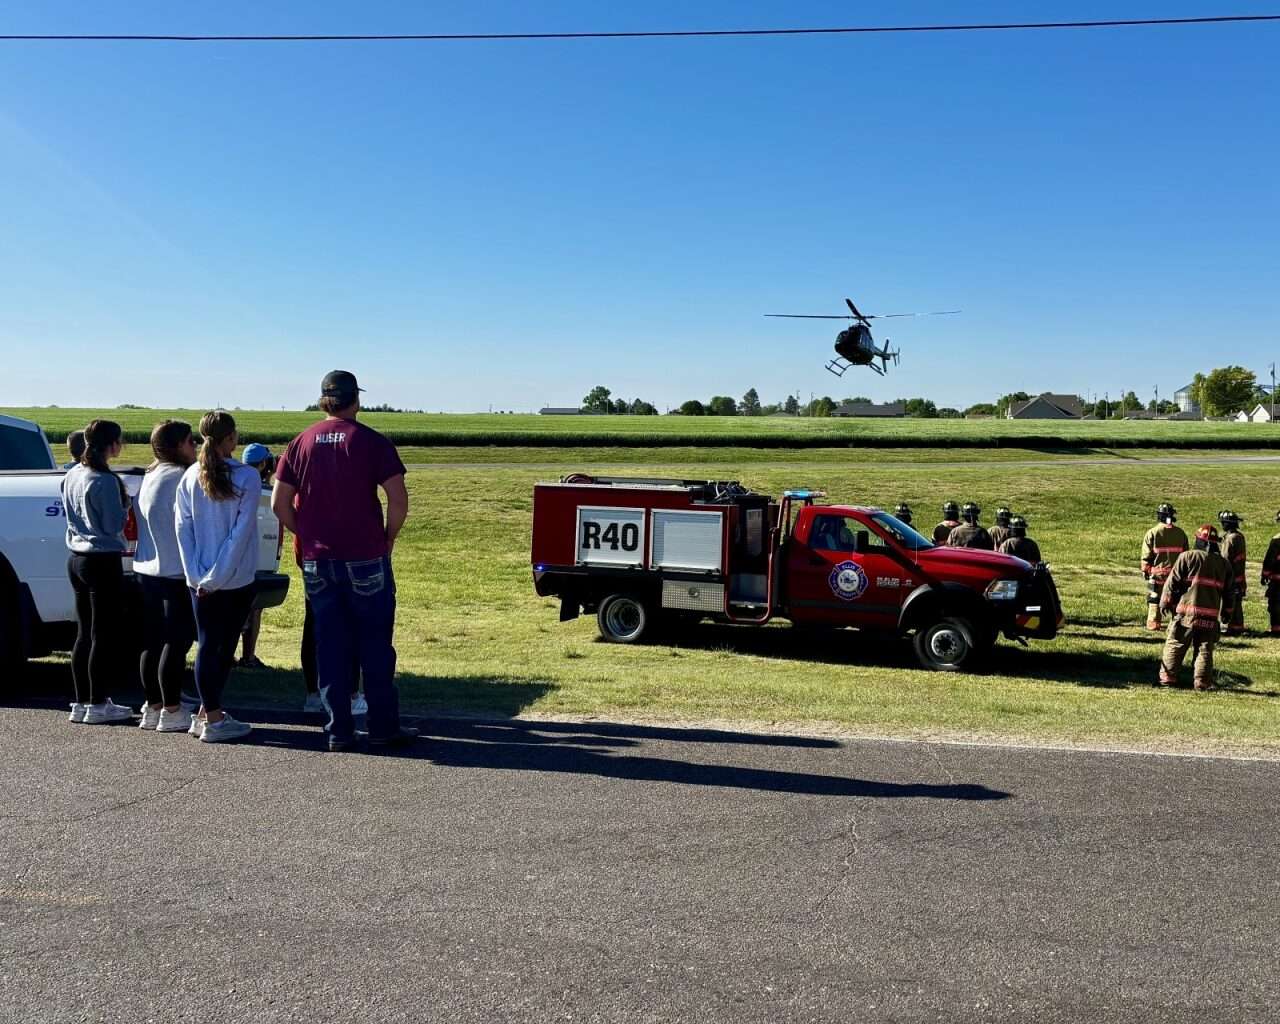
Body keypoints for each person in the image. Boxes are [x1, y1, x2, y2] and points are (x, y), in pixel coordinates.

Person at [273, 370, 414, 752]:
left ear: (324, 401)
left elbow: (278, 502)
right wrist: (388, 538)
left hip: (319, 559)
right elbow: (398, 499)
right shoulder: (371, 442)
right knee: (375, 645)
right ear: (356, 400)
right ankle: (383, 726)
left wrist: (304, 531)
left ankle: (339, 730)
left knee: (330, 644)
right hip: (365, 555)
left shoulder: (300, 442)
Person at [175, 411, 261, 743]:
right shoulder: (246, 477)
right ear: (229, 438)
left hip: (199, 579)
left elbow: (183, 529)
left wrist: (196, 574)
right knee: (219, 647)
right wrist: (215, 577)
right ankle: (212, 716)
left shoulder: (190, 475)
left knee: (210, 644)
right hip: (233, 578)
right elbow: (239, 534)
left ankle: (206, 712)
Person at [61, 419, 136, 725]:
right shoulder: (104, 481)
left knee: (84, 633)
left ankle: (81, 700)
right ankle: (98, 702)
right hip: (102, 559)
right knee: (102, 635)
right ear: (111, 444)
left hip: (76, 557)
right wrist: (126, 505)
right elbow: (112, 525)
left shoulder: (73, 473)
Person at [134, 421, 199, 732]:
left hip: (146, 568)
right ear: (176, 446)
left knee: (152, 640)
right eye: (190, 442)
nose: (195, 447)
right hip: (174, 570)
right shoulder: (181, 477)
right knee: (176, 642)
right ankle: (172, 709)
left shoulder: (151, 475)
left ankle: (154, 704)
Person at [1158, 524, 1234, 691]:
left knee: (1176, 644)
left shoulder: (1187, 557)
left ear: (1199, 540)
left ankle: (1168, 678)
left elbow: (1172, 583)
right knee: (1204, 649)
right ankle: (1201, 682)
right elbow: (1230, 592)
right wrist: (1227, 612)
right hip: (1210, 616)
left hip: (1186, 614)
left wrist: (1165, 602)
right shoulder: (1223, 564)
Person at [235, 442, 275, 669]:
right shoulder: (260, 491)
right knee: (253, 609)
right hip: (253, 559)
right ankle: (248, 656)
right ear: (263, 463)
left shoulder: (236, 481)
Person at [1141, 503, 1189, 631]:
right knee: (1175, 600)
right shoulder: (1180, 533)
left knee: (1155, 598)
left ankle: (1153, 623)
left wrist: (1146, 570)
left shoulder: (1152, 533)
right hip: (1176, 576)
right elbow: (1186, 556)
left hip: (1158, 575)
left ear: (1159, 516)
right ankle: (1175, 625)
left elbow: (1146, 557)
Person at [1218, 510, 1246, 637]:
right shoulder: (1240, 536)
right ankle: (1237, 626)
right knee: (1237, 601)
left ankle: (1229, 626)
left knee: (1229, 601)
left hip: (1230, 576)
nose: (1222, 525)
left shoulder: (1230, 539)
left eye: (1223, 523)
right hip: (1240, 576)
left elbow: (1225, 559)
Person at [1261, 511, 1280, 637]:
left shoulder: (1277, 540)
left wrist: (1264, 575)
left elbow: (1270, 560)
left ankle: (1276, 630)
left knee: (1275, 605)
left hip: (1278, 582)